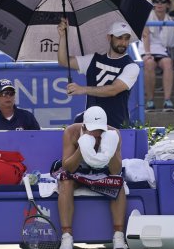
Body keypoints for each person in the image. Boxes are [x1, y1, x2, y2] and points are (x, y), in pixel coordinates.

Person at [57, 106, 127, 249]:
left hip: (103, 173)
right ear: (84, 126)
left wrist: (111, 149)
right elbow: (68, 167)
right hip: (78, 173)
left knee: (119, 185)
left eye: (100, 131)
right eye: (93, 130)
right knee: (65, 183)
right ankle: (67, 237)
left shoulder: (114, 134)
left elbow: (115, 171)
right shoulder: (72, 132)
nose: (97, 134)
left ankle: (119, 237)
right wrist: (82, 148)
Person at [57, 19, 140, 129]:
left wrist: (83, 89)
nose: (123, 43)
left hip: (116, 127)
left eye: (126, 39)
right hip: (90, 126)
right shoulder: (93, 59)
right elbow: (64, 61)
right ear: (109, 37)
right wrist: (63, 36)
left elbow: (113, 90)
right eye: (119, 38)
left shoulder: (132, 66)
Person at [139, 0, 174, 112]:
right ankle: (150, 101)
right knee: (149, 63)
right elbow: (145, 35)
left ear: (168, 5)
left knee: (168, 62)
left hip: (161, 50)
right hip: (146, 49)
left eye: (163, 1)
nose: (159, 3)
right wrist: (147, 53)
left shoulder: (171, 20)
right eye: (156, 1)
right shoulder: (146, 16)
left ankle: (167, 100)